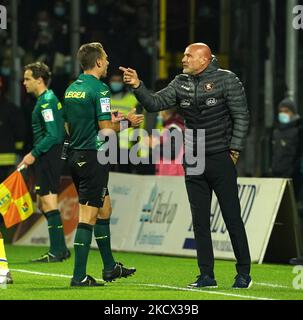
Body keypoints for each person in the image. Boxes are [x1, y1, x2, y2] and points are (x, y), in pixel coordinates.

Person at [120, 42, 252, 289]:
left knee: (232, 216)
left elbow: (242, 115)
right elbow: (154, 103)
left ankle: (243, 273)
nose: (183, 59)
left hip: (220, 156)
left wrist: (234, 150)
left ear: (204, 59)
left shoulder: (227, 80)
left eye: (188, 56)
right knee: (199, 220)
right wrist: (137, 85)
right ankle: (206, 275)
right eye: (183, 55)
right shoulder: (180, 82)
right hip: (193, 158)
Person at [63, 42, 143, 287]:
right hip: (93, 158)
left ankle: (109, 268)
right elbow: (105, 130)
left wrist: (108, 121)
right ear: (98, 62)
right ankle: (79, 276)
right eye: (106, 59)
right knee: (88, 216)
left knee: (105, 209)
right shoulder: (100, 89)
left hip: (76, 156)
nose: (108, 62)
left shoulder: (71, 89)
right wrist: (127, 123)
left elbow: (70, 125)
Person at [19, 62, 69, 263]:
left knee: (48, 202)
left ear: (39, 80)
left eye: (27, 79)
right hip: (48, 155)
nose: (24, 83)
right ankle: (60, 249)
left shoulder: (46, 102)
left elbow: (54, 135)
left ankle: (58, 250)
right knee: (43, 202)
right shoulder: (47, 100)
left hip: (48, 155)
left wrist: (34, 153)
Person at [271, 98, 303, 266]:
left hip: (295, 179)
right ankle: (282, 251)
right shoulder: (276, 131)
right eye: (281, 110)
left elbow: (296, 157)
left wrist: (294, 174)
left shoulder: (298, 131)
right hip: (278, 178)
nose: (283, 114)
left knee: (298, 214)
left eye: (286, 111)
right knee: (280, 218)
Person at [109, 71, 138, 173]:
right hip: (108, 143)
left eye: (118, 81)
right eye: (113, 80)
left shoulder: (132, 99)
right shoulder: (105, 99)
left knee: (125, 174)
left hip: (127, 144)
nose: (116, 83)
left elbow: (139, 121)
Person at [152, 108, 185, 176]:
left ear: (164, 113)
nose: (159, 115)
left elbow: (172, 152)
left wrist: (156, 146)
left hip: (172, 172)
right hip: (169, 171)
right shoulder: (170, 127)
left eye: (160, 113)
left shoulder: (174, 128)